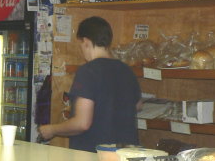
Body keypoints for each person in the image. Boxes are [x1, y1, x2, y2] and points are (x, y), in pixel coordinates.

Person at [38, 16, 141, 152]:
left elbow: (82, 123)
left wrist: (51, 129)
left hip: (95, 156)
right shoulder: (127, 70)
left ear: (86, 41)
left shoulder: (88, 71)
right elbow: (138, 106)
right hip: (126, 155)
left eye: (81, 44)